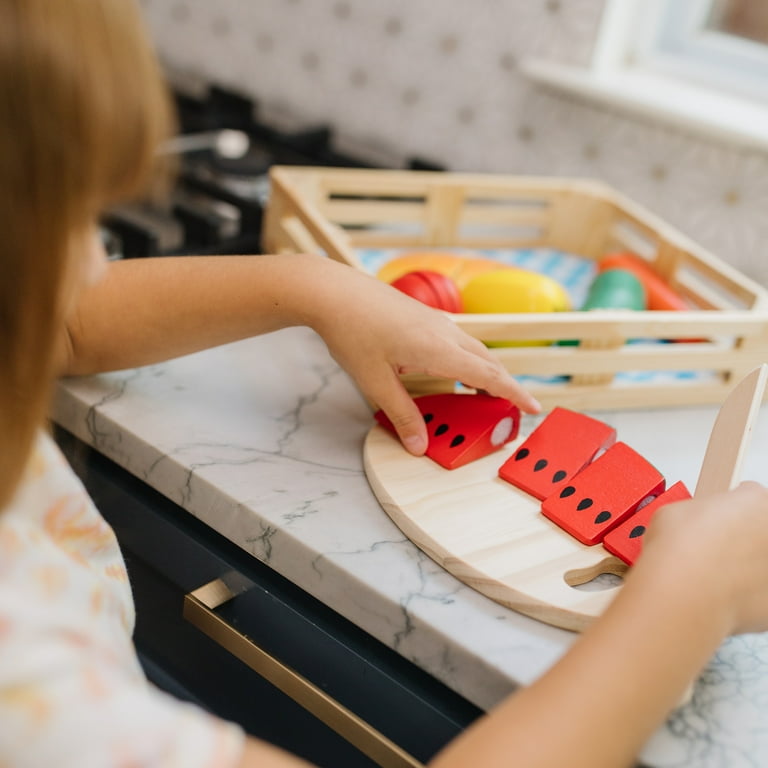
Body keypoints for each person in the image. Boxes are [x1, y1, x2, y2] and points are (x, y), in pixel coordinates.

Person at [1, 1, 768, 767]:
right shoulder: (33, 705)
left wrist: (315, 286)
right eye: (67, 222)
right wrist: (689, 599)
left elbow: (61, 321)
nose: (96, 263)